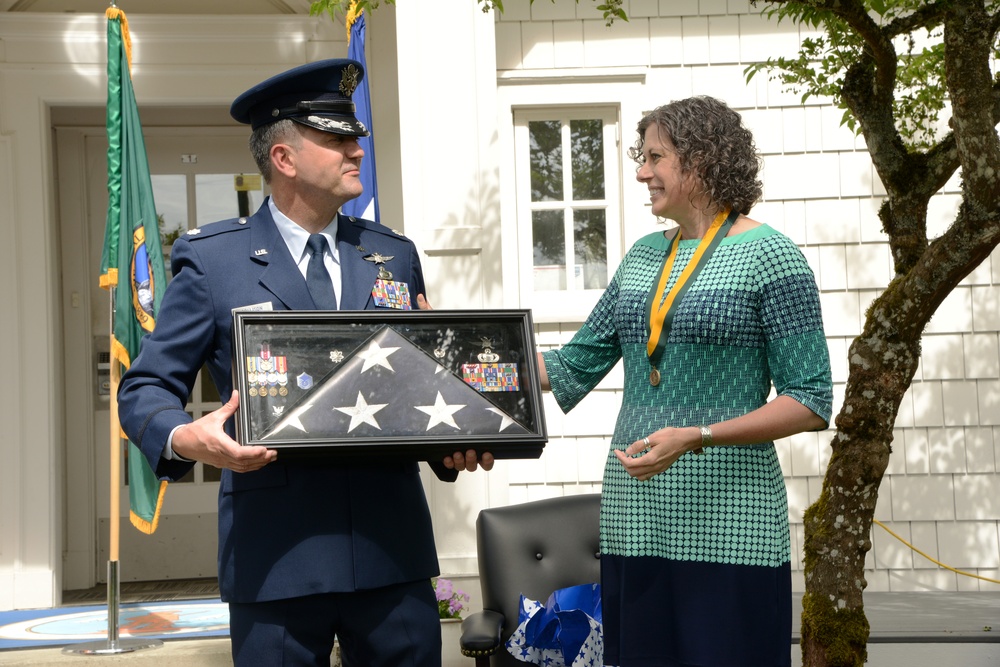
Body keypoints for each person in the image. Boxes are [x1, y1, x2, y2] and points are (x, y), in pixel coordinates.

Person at [117, 58, 492, 667]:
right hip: (277, 561)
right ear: (285, 158)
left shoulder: (391, 255)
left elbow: (419, 387)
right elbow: (144, 388)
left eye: (357, 138)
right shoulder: (216, 261)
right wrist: (187, 437)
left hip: (390, 554)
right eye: (337, 138)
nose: (357, 150)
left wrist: (453, 441)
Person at [538, 96, 832, 666]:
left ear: (700, 160)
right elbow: (571, 364)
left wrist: (695, 435)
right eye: (642, 159)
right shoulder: (643, 257)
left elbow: (810, 400)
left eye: (655, 158)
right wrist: (467, 356)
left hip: (731, 528)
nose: (642, 173)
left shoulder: (772, 257)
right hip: (635, 522)